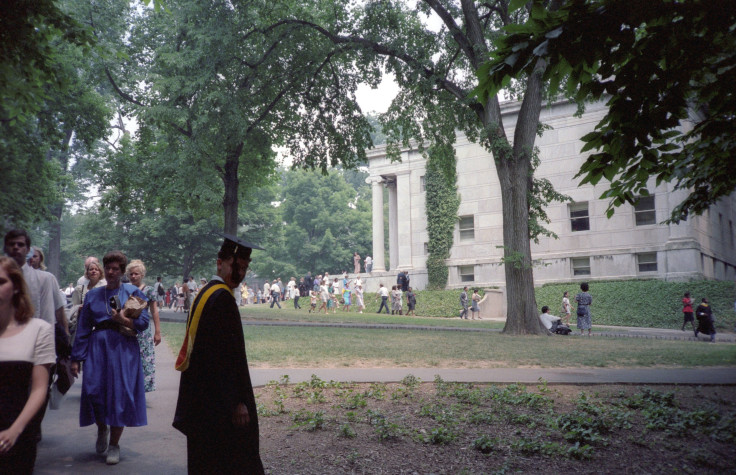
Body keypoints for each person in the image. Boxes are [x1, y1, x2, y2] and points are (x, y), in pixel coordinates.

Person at [173, 233, 265, 474]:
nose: (241, 274)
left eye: (245, 268)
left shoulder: (205, 293)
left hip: (204, 398)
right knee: (230, 459)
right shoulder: (221, 299)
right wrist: (236, 401)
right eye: (237, 266)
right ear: (220, 262)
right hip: (220, 404)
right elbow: (223, 359)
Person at [70, 251, 150, 465]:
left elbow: (143, 324)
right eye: (109, 268)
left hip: (124, 348)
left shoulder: (133, 292)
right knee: (94, 390)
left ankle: (114, 444)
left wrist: (123, 319)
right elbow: (84, 327)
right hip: (99, 346)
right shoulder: (93, 295)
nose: (112, 272)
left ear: (123, 272)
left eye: (116, 269)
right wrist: (76, 358)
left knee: (120, 395)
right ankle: (102, 428)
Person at [0, 257, 56, 474]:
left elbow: (39, 388)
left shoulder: (38, 330)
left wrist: (15, 431)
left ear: (15, 287)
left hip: (18, 429)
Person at [126, 259, 162, 394]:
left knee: (144, 359)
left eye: (136, 274)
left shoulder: (149, 290)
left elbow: (154, 311)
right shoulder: (125, 288)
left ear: (142, 275)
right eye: (131, 274)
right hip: (127, 328)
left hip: (143, 330)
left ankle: (141, 389)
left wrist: (158, 332)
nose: (133, 276)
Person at [70, 261, 107, 340]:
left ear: (100, 272)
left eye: (96, 269)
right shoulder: (80, 289)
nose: (93, 271)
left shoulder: (105, 289)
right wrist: (79, 308)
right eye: (91, 269)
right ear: (87, 273)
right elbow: (73, 308)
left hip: (99, 327)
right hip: (82, 326)